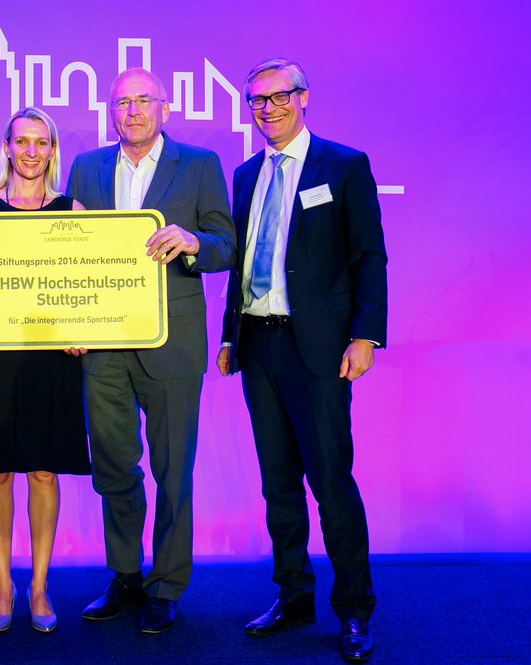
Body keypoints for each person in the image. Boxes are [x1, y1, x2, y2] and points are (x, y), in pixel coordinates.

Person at [217, 58, 386, 663]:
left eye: (279, 96)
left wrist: (365, 335)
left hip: (318, 349)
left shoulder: (344, 165)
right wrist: (231, 335)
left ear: (304, 98)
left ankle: (355, 610)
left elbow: (370, 256)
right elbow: (241, 265)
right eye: (256, 100)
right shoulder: (244, 175)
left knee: (331, 483)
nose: (268, 108)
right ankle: (293, 597)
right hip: (258, 344)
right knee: (277, 484)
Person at [65, 67, 236, 633]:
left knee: (172, 471)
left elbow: (225, 244)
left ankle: (166, 584)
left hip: (172, 342)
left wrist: (193, 241)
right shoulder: (86, 168)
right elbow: (70, 254)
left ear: (165, 108)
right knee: (113, 467)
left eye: (144, 100)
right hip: (104, 345)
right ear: (110, 112)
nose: (133, 110)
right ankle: (125, 575)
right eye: (122, 103)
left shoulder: (201, 165)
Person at [0, 107, 91, 633]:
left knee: (44, 470)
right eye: (22, 142)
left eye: (42, 143)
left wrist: (82, 328)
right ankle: (4, 585)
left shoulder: (70, 209)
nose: (31, 152)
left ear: (53, 151)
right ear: (6, 147)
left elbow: (82, 285)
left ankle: (39, 586)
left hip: (51, 358)